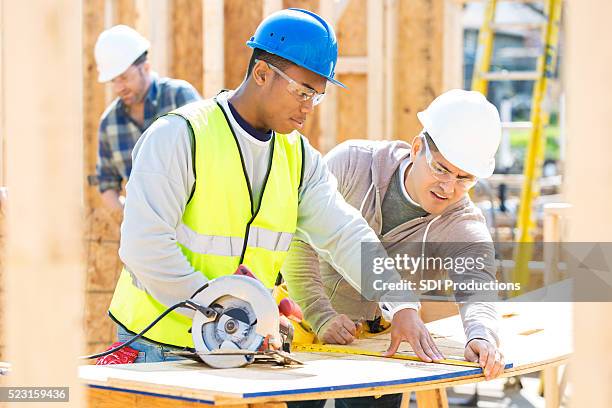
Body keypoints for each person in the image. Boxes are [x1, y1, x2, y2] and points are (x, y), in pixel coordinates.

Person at [108, 8, 435, 370]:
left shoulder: (297, 157)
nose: (309, 107)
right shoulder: (180, 136)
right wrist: (223, 308)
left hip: (236, 345)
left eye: (317, 95)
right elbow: (144, 246)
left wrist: (400, 301)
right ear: (262, 73)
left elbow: (344, 233)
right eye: (303, 92)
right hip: (157, 346)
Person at [282, 90, 505, 407]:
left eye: (464, 178)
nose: (448, 187)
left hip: (382, 337)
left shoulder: (461, 222)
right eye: (441, 169)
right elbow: (298, 239)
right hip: (304, 319)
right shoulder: (352, 164)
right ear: (417, 148)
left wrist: (481, 334)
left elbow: (478, 285)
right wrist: (321, 315)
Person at [94, 25, 200, 213]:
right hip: (147, 233)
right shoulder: (109, 124)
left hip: (193, 220)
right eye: (113, 81)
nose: (119, 88)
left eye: (124, 78)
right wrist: (131, 219)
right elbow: (106, 183)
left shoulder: (180, 98)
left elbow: (208, 156)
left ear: (145, 68)